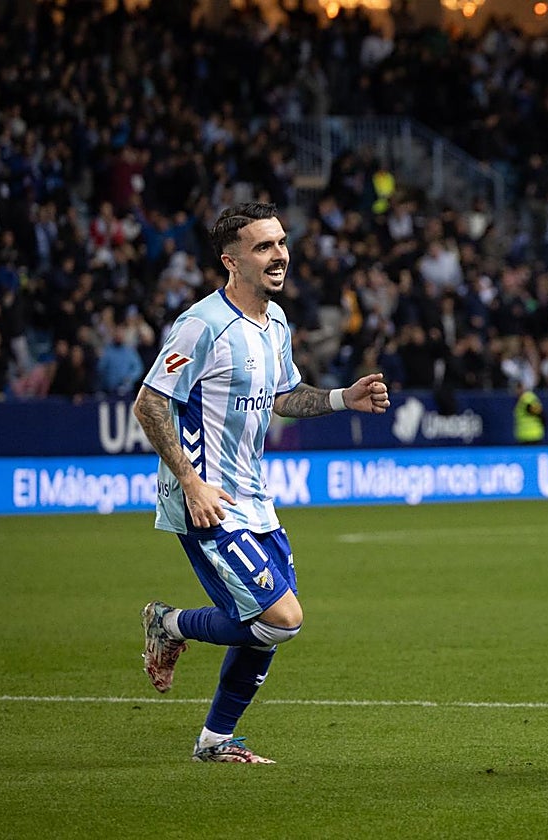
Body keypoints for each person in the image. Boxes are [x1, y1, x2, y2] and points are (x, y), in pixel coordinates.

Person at [132, 202, 390, 764]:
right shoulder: (202, 324)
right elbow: (149, 403)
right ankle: (169, 624)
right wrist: (191, 482)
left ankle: (215, 741)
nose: (279, 256)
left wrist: (346, 398)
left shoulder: (275, 324)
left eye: (281, 243)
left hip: (255, 498)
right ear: (231, 261)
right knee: (280, 618)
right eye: (263, 246)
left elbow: (283, 397)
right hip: (207, 500)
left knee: (268, 627)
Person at [513, 378, 546, 444]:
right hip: (524, 436)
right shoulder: (521, 400)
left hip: (532, 436)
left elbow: (541, 414)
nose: (516, 391)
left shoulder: (528, 400)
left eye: (518, 388)